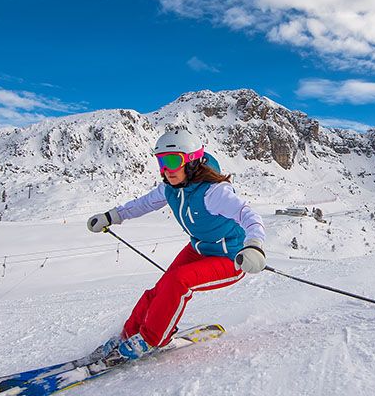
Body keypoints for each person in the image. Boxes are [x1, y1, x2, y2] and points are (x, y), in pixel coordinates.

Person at [87, 128, 266, 357]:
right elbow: (143, 204)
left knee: (178, 281)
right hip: (199, 248)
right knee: (160, 289)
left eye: (173, 161)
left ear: (191, 162)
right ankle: (128, 334)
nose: (166, 169)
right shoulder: (170, 188)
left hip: (232, 256)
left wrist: (254, 246)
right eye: (161, 162)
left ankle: (152, 339)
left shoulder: (214, 192)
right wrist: (111, 216)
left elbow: (249, 215)